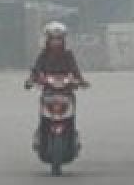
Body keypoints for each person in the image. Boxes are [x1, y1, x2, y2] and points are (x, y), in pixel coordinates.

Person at [26, 21, 89, 150]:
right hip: (48, 91)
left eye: (59, 39)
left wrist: (81, 81)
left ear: (63, 40)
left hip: (66, 91)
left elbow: (75, 70)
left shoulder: (68, 55)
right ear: (48, 40)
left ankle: (72, 136)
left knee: (71, 114)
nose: (56, 42)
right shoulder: (43, 55)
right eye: (53, 39)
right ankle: (41, 136)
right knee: (43, 114)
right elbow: (36, 70)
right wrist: (32, 80)